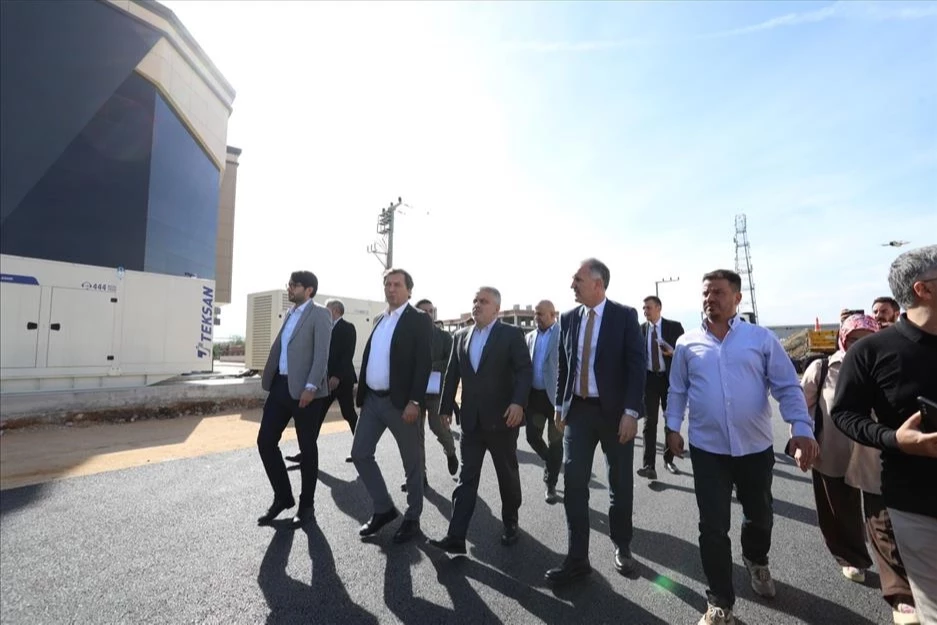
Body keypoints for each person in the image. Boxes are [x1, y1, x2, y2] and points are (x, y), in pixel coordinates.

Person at [665, 269, 819, 625]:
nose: (710, 299)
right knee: (712, 526)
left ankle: (756, 559)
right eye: (706, 293)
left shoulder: (760, 339)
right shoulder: (687, 343)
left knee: (760, 515)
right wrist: (672, 427)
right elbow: (678, 389)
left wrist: (801, 427)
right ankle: (720, 601)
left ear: (737, 298)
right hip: (707, 449)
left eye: (718, 292)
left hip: (754, 447)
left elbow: (786, 386)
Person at [832, 245, 937, 623]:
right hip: (917, 504)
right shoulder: (870, 352)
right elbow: (844, 413)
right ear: (923, 289)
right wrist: (895, 439)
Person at [802, 314, 918, 625]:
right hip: (831, 452)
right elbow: (803, 407)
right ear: (842, 339)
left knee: (883, 522)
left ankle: (900, 593)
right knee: (838, 512)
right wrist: (802, 440)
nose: (858, 346)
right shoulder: (821, 368)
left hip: (875, 455)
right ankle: (850, 556)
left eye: (866, 339)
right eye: (853, 339)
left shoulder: (887, 363)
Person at [545, 258, 646, 585]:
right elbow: (564, 365)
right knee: (574, 484)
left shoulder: (624, 316)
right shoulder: (568, 318)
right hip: (579, 412)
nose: (572, 285)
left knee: (620, 483)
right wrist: (560, 405)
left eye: (577, 280)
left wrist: (631, 412)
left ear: (598, 284)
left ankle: (622, 545)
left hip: (616, 414)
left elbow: (637, 367)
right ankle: (577, 558)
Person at [428, 287, 532, 553]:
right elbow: (452, 373)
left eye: (483, 301)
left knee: (506, 476)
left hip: (503, 420)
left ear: (496, 309)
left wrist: (518, 402)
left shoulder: (511, 335)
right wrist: (445, 408)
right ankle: (456, 535)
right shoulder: (461, 336)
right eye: (475, 300)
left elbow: (524, 371)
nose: (477, 304)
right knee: (466, 479)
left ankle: (510, 521)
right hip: (471, 422)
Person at [351, 268, 434, 544]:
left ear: (409, 290)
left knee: (412, 463)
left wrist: (415, 401)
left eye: (397, 284)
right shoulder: (380, 319)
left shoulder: (418, 319)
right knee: (360, 453)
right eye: (387, 284)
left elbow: (423, 363)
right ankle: (383, 508)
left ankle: (413, 517)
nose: (391, 288)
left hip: (401, 404)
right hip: (373, 401)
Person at [257, 271, 333, 528]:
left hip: (306, 391)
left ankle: (306, 506)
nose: (289, 288)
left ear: (308, 289)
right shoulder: (290, 313)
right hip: (280, 386)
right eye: (288, 284)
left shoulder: (320, 314)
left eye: (294, 285)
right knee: (265, 441)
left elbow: (321, 354)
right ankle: (283, 497)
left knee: (307, 448)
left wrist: (311, 386)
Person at [285, 298, 358, 465]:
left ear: (336, 310)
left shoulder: (347, 328)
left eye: (327, 308)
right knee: (316, 417)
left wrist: (337, 376)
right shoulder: (324, 327)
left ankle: (361, 450)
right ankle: (305, 453)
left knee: (349, 414)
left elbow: (347, 355)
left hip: (342, 381)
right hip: (324, 381)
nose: (324, 311)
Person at [408, 299, 459, 489]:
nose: (428, 314)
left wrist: (429, 367)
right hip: (414, 394)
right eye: (424, 311)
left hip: (437, 392)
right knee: (415, 437)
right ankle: (420, 477)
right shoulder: (408, 336)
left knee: (438, 427)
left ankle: (450, 451)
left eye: (431, 311)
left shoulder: (444, 337)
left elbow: (452, 362)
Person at [637, 295, 685, 480]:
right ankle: (648, 465)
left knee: (669, 420)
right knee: (649, 423)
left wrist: (673, 352)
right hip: (649, 380)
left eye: (648, 308)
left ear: (658, 308)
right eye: (643, 308)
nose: (645, 311)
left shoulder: (674, 327)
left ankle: (668, 459)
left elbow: (685, 353)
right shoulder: (640, 330)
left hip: (668, 380)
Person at [525, 300, 562, 504]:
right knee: (532, 436)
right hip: (535, 397)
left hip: (556, 399)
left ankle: (551, 484)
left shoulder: (563, 334)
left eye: (540, 314)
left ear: (552, 314)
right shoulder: (530, 337)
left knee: (555, 441)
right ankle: (551, 461)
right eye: (535, 313)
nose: (536, 317)